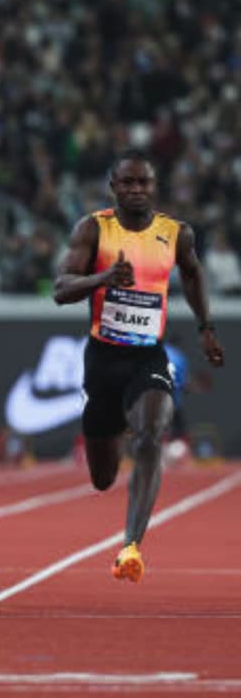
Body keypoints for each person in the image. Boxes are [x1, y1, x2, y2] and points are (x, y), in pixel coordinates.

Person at [53, 149, 224, 584]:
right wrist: (102, 279)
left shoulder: (176, 233)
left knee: (151, 436)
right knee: (103, 477)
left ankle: (131, 544)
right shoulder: (94, 228)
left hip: (148, 355)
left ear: (154, 187)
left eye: (142, 183)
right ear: (114, 187)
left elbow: (192, 274)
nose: (135, 189)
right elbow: (61, 289)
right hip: (103, 359)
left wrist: (205, 327)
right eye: (126, 182)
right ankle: (111, 431)